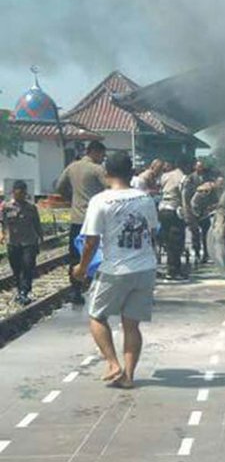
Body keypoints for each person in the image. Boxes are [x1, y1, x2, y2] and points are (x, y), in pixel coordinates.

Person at [73, 152, 159, 389]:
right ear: (131, 172)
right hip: (145, 268)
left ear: (106, 173)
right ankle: (129, 377)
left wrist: (81, 268)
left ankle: (112, 363)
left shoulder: (100, 201)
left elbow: (90, 242)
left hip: (115, 268)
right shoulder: (145, 199)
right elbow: (152, 233)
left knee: (96, 315)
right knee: (131, 324)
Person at [56, 139, 107, 304]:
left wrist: (72, 199)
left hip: (77, 219)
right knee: (97, 255)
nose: (103, 158)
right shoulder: (98, 169)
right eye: (102, 155)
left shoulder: (72, 167)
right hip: (95, 220)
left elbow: (59, 187)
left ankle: (75, 291)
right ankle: (96, 288)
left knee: (75, 257)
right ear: (95, 152)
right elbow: (110, 188)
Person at [0, 180, 44, 304]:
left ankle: (24, 291)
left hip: (29, 242)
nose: (20, 196)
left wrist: (41, 238)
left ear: (25, 193)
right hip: (13, 243)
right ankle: (20, 290)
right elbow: (2, 223)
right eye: (17, 193)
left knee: (28, 267)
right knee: (17, 269)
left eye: (22, 193)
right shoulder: (6, 207)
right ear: (13, 193)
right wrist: (2, 234)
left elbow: (37, 224)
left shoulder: (31, 208)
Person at [158, 159, 189, 279]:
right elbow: (184, 197)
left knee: (167, 241)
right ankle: (174, 271)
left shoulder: (164, 176)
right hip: (174, 210)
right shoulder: (182, 177)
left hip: (163, 209)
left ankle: (170, 268)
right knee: (177, 241)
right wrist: (187, 215)